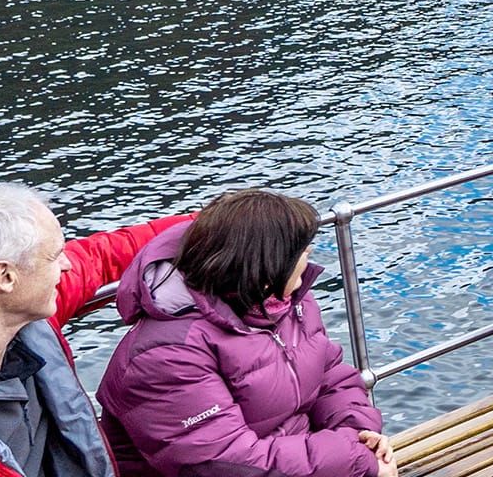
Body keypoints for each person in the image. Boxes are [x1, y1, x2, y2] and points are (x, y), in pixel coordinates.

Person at [96, 189, 392, 477]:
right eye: (304, 252)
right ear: (267, 267)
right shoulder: (165, 354)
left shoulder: (286, 304)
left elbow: (331, 378)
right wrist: (352, 458)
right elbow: (221, 462)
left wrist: (358, 433)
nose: (309, 260)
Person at [0, 184, 125, 477]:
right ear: (5, 276)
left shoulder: (20, 314)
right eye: (55, 256)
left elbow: (102, 256)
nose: (67, 266)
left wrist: (205, 227)